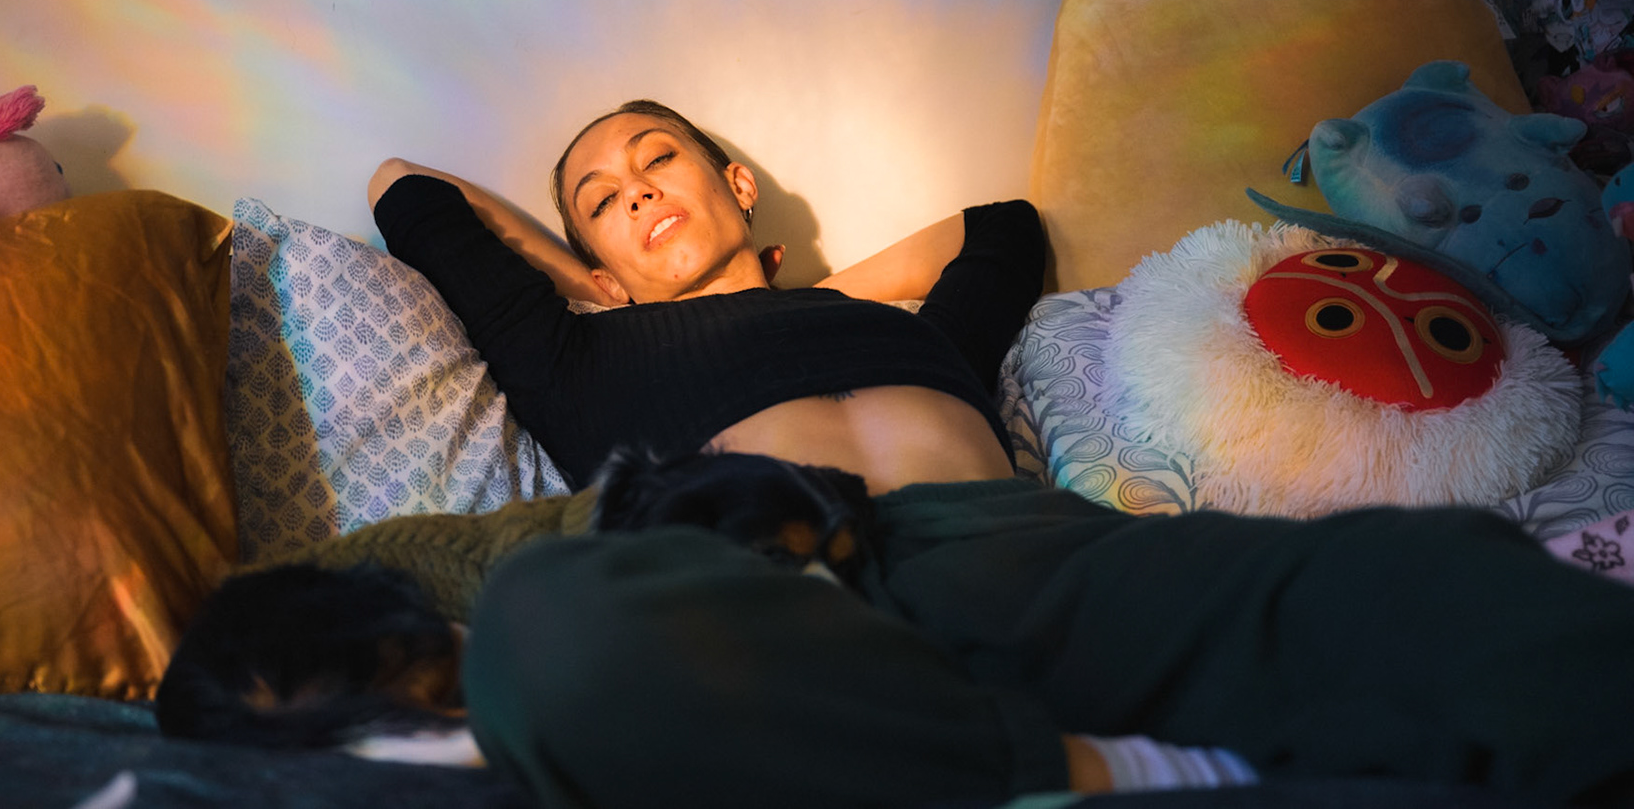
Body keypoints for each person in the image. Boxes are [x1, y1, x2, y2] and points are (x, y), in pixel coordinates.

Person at [367, 99, 1634, 807]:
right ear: (589, 254)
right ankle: (1095, 765)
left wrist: (802, 296)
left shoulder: (899, 326)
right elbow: (402, 186)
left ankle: (1056, 764)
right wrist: (589, 282)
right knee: (549, 626)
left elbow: (1002, 228)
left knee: (1433, 575)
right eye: (601, 198)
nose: (638, 188)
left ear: (736, 182)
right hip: (786, 589)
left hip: (1034, 552)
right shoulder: (579, 358)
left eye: (659, 159)